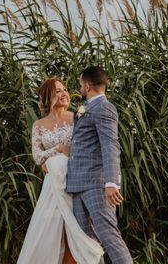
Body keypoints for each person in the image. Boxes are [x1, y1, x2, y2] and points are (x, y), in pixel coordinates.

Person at [17, 77, 104, 264]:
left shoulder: (77, 117)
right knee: (53, 231)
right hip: (53, 186)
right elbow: (38, 157)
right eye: (58, 91)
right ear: (47, 96)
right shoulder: (38, 125)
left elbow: (88, 146)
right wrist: (59, 149)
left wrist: (58, 156)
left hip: (76, 180)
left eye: (65, 89)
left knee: (77, 232)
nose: (64, 93)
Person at [66, 66, 133, 264]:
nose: (80, 88)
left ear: (87, 85)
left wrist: (112, 182)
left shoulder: (104, 107)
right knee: (88, 245)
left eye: (80, 85)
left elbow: (110, 144)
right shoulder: (86, 108)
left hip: (96, 183)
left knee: (108, 236)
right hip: (77, 184)